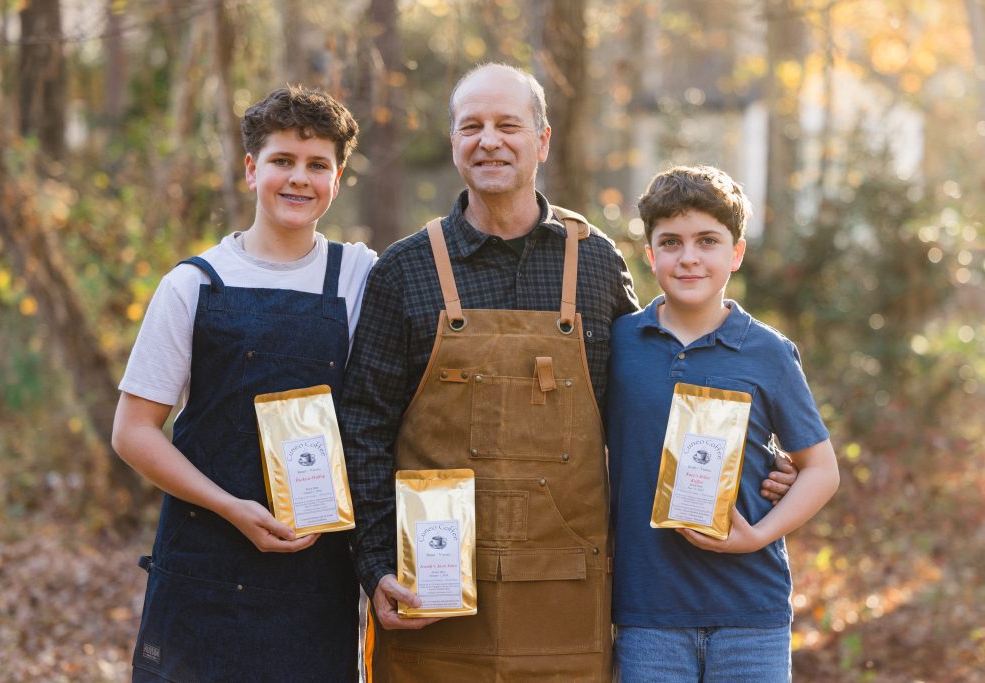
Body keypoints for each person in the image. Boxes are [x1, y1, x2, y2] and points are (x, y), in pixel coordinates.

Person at [341, 65, 795, 681]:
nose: (489, 140)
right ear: (453, 142)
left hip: (569, 594)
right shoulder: (404, 271)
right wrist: (375, 566)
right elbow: (362, 430)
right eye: (471, 126)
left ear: (543, 140)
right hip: (435, 594)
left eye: (509, 125)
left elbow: (652, 393)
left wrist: (764, 456)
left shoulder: (597, 264)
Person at [111, 85, 375, 682]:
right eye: (283, 161)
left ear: (338, 178)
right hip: (204, 562)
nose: (299, 179)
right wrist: (233, 509)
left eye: (318, 166)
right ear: (252, 168)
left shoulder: (359, 276)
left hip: (315, 579)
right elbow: (133, 433)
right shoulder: (194, 283)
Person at [606, 165, 840, 682]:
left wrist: (755, 536)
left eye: (707, 241)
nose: (688, 257)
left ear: (735, 253)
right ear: (649, 255)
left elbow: (821, 469)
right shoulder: (617, 345)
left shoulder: (768, 352)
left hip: (750, 612)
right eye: (670, 242)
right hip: (648, 615)